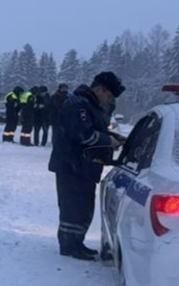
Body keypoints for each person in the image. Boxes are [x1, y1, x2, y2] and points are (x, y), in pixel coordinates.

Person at [47, 71, 126, 260]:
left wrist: (114, 137)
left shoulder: (90, 105)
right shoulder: (78, 105)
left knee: (82, 206)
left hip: (83, 166)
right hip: (72, 165)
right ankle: (69, 245)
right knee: (73, 207)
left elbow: (95, 129)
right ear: (100, 89)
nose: (109, 100)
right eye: (108, 95)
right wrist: (108, 140)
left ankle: (76, 242)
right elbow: (83, 134)